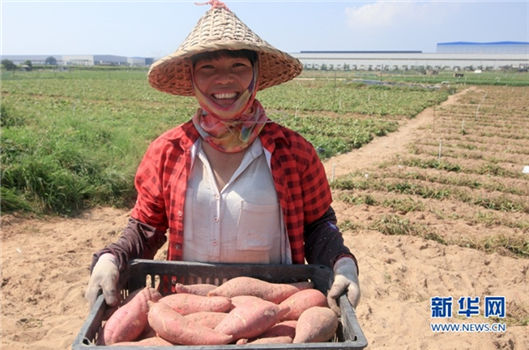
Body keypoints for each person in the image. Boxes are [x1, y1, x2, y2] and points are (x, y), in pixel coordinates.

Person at [85, 0, 360, 315]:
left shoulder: (294, 152)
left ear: (255, 74)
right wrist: (112, 258)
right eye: (208, 68)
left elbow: (318, 226)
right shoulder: (168, 151)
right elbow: (146, 227)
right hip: (188, 306)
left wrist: (342, 262)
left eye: (238, 66)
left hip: (276, 310)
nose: (224, 79)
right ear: (192, 79)